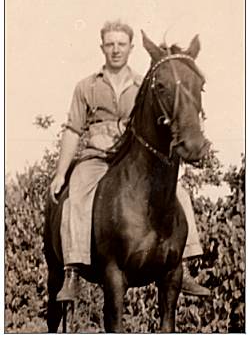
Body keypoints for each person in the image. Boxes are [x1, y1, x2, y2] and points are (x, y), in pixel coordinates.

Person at [50, 20, 210, 301]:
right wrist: (61, 172)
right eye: (110, 44)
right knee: (77, 192)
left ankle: (183, 266)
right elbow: (73, 130)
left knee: (179, 194)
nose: (115, 50)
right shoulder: (86, 86)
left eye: (121, 44)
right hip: (96, 157)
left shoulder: (144, 83)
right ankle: (72, 271)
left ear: (130, 48)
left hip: (132, 158)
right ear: (102, 47)